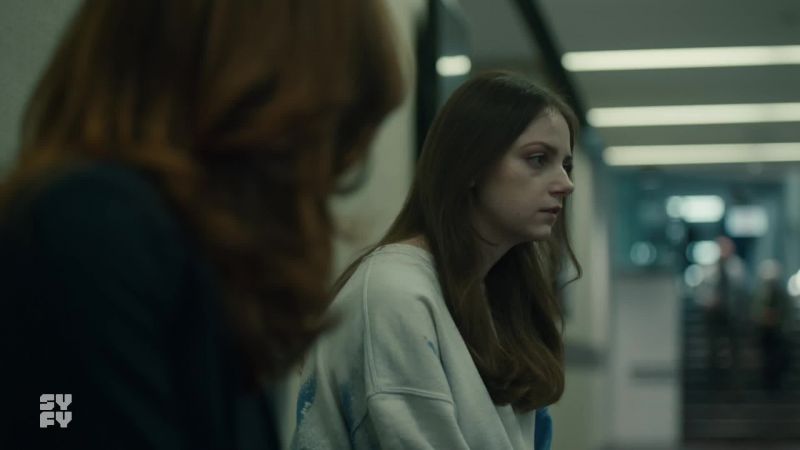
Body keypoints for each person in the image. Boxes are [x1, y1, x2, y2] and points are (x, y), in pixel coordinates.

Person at [0, 1, 404, 448]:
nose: (319, 174)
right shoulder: (93, 226)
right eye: (316, 128)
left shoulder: (201, 257)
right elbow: (57, 418)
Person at [292, 71, 581, 450]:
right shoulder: (395, 294)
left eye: (566, 165)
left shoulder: (492, 295)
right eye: (538, 159)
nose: (565, 184)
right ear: (471, 164)